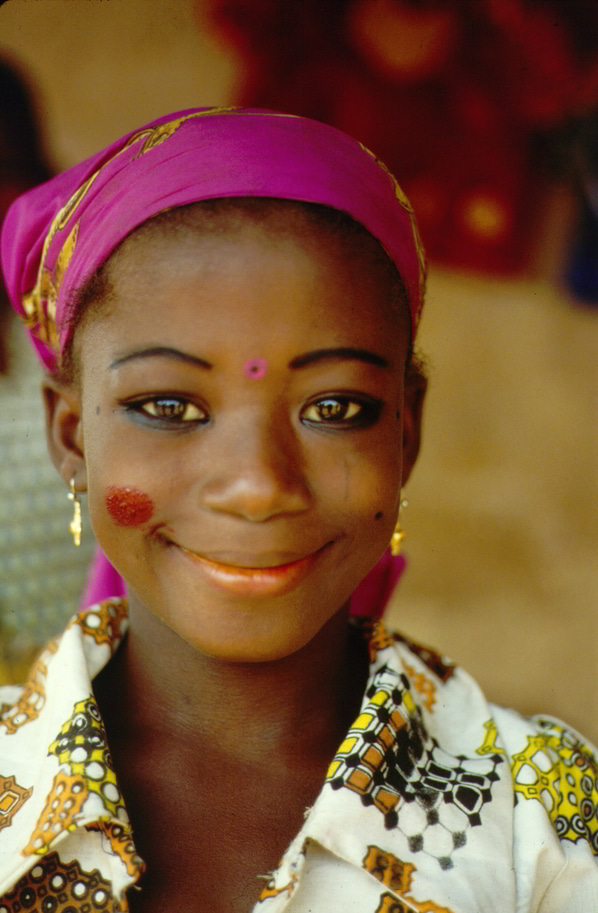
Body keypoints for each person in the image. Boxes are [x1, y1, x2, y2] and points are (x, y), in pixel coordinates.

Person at [0, 107, 596, 913]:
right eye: (170, 405)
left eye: (337, 407)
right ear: (70, 436)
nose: (257, 483)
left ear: (405, 431)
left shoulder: (548, 825)